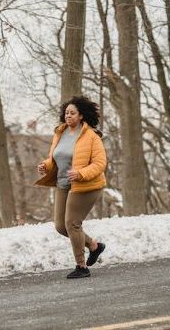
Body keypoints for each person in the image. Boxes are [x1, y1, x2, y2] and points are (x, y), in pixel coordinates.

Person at [35, 95, 107, 279]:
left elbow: (100, 164)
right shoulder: (60, 133)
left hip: (86, 185)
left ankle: (81, 267)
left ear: (81, 116)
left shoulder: (91, 136)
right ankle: (94, 246)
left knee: (72, 223)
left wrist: (81, 173)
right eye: (66, 113)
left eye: (72, 113)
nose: (68, 116)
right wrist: (46, 165)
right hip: (63, 184)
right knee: (61, 226)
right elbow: (56, 158)